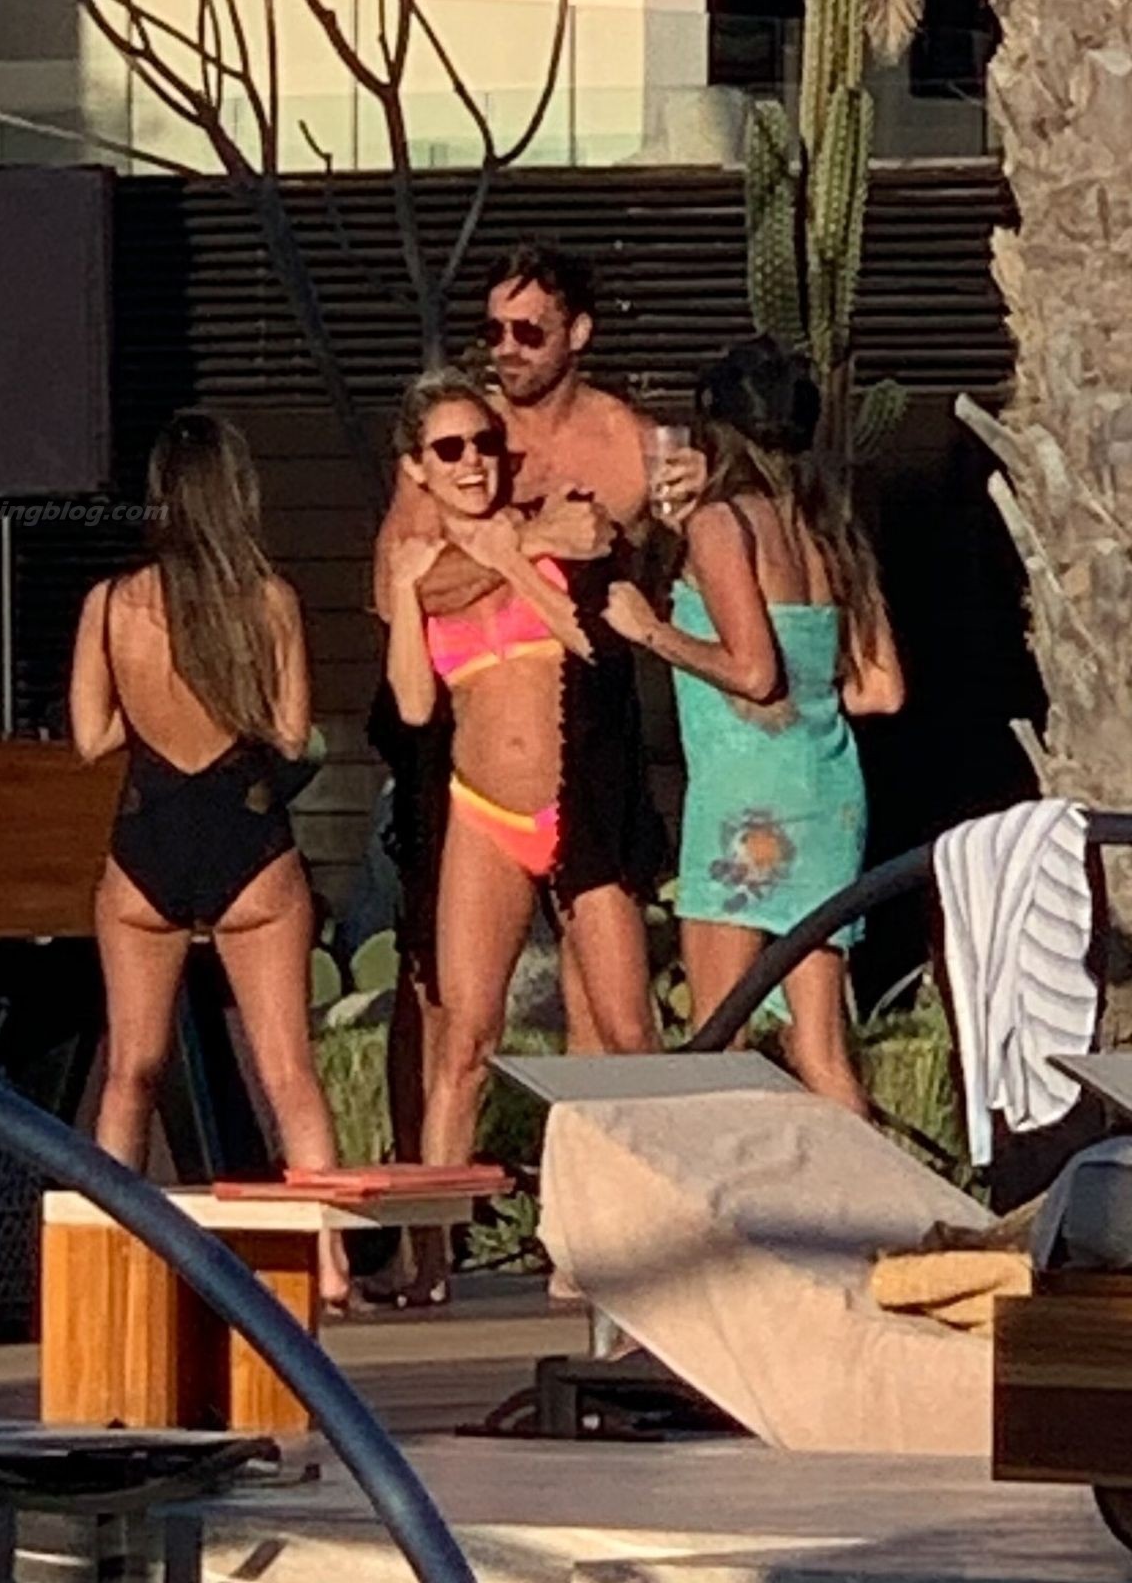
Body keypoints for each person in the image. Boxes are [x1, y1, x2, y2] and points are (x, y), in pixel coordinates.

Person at [372, 242, 702, 1064]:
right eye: (494, 330)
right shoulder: (462, 437)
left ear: (577, 333)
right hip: (467, 751)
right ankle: (422, 1146)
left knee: (613, 1024)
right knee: (448, 1010)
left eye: (528, 331)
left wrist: (704, 492)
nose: (506, 349)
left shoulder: (626, 444)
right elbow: (398, 589)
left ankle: (608, 1151)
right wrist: (528, 540)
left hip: (590, 743)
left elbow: (660, 584)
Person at [69, 410, 348, 1306]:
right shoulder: (269, 602)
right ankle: (330, 1268)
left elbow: (89, 738)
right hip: (247, 837)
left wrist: (152, 710)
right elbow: (293, 734)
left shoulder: (112, 604)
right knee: (288, 1071)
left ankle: (112, 1261)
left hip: (148, 838)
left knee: (130, 1071)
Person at [603, 337, 905, 1116]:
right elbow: (879, 691)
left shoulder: (723, 523)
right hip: (829, 793)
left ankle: (737, 1193)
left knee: (718, 1042)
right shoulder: (827, 529)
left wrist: (653, 631)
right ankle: (869, 1191)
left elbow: (753, 671)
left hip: (745, 799)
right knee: (820, 1049)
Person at [385, 370, 598, 1189]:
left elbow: (592, 640)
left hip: (573, 805)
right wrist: (405, 591)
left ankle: (592, 1232)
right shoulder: (420, 568)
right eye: (449, 449)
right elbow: (413, 704)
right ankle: (433, 1243)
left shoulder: (547, 523)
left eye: (484, 443)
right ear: (417, 468)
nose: (472, 462)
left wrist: (518, 550)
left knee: (606, 1035)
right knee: (464, 1043)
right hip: (484, 813)